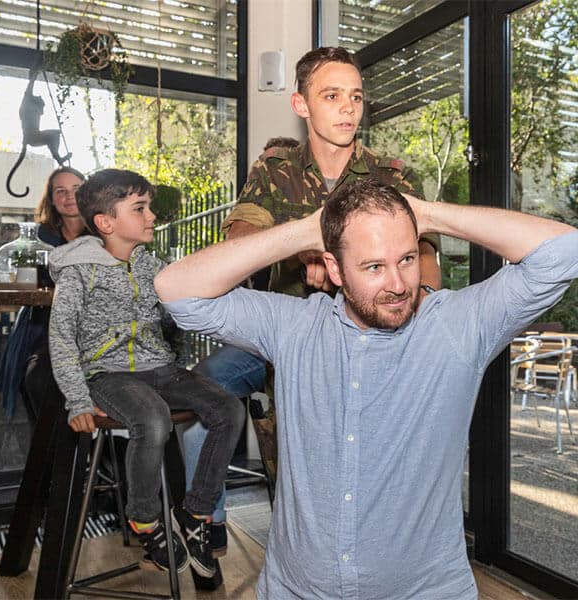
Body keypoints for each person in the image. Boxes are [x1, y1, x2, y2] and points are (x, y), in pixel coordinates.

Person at [154, 178, 578, 599]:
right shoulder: (294, 326)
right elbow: (176, 291)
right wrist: (304, 230)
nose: (398, 284)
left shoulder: (457, 327)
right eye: (374, 267)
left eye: (406, 259)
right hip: (296, 591)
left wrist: (428, 214)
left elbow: (564, 252)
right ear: (335, 268)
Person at [183, 45, 442, 515]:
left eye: (356, 97)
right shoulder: (275, 170)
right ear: (301, 104)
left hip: (367, 339)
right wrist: (302, 245)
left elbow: (424, 255)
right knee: (208, 393)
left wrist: (424, 308)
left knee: (360, 473)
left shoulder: (390, 177)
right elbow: (240, 238)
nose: (348, 108)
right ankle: (204, 521)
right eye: (332, 96)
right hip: (286, 339)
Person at [48, 169, 244, 578]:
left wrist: (177, 334)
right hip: (109, 374)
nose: (151, 215)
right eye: (140, 208)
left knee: (228, 409)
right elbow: (61, 337)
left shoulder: (153, 266)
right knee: (153, 419)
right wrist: (78, 400)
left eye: (149, 207)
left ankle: (196, 513)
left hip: (162, 369)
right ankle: (144, 520)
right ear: (106, 222)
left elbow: (174, 322)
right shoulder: (78, 271)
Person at [0, 166, 86, 425]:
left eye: (76, 189)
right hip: (42, 322)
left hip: (90, 325)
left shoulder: (104, 230)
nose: (69, 197)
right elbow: (25, 280)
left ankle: (78, 445)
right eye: (61, 191)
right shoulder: (39, 237)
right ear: (51, 199)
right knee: (35, 378)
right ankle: (51, 445)